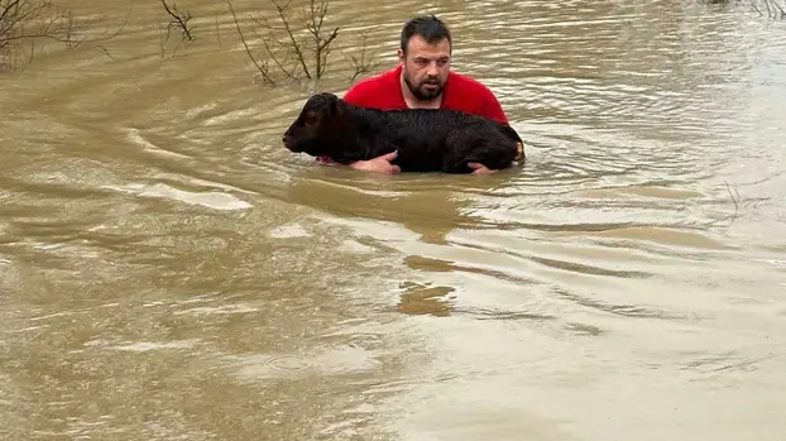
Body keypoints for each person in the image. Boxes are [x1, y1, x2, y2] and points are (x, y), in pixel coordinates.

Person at [326, 14, 518, 176]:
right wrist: (359, 168)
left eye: (442, 61)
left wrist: (497, 174)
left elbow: (517, 153)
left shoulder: (477, 97)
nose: (433, 72)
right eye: (422, 62)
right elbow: (322, 160)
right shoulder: (364, 98)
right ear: (402, 57)